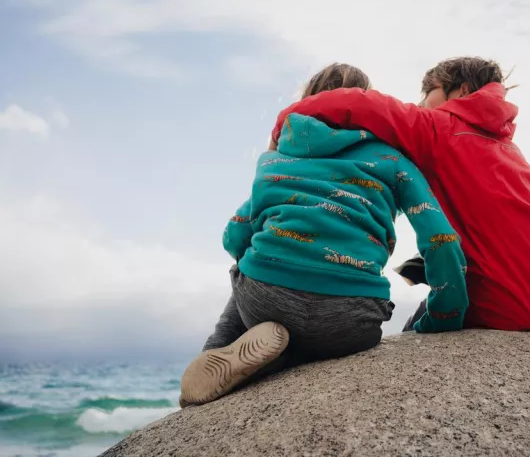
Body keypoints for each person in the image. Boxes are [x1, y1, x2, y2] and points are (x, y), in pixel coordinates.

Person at [179, 64, 468, 407]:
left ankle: (215, 358)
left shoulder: (276, 158)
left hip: (265, 301)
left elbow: (233, 236)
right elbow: (441, 239)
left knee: (244, 265)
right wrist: (447, 312)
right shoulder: (393, 160)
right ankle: (280, 357)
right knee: (320, 336)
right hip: (349, 319)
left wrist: (267, 256)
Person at [271, 57, 530, 334]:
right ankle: (421, 267)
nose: (421, 102)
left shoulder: (439, 129)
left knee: (414, 332)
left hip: (499, 307)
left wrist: (285, 121)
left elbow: (358, 103)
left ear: (461, 91)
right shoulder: (512, 153)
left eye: (428, 92)